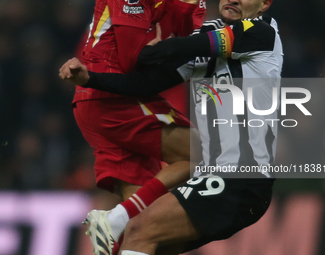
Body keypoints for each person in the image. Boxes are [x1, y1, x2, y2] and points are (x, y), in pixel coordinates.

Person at [60, 0, 282, 254]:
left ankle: (118, 216)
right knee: (145, 242)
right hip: (215, 174)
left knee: (140, 231)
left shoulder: (262, 33)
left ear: (264, 4)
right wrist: (91, 79)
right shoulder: (206, 34)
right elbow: (145, 84)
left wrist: (160, 49)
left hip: (241, 177)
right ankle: (119, 217)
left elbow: (185, 46)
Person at [62, 0, 206, 254]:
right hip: (113, 101)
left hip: (105, 100)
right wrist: (166, 52)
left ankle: (118, 220)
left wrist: (168, 45)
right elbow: (134, 62)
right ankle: (115, 217)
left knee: (147, 229)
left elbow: (186, 41)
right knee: (200, 152)